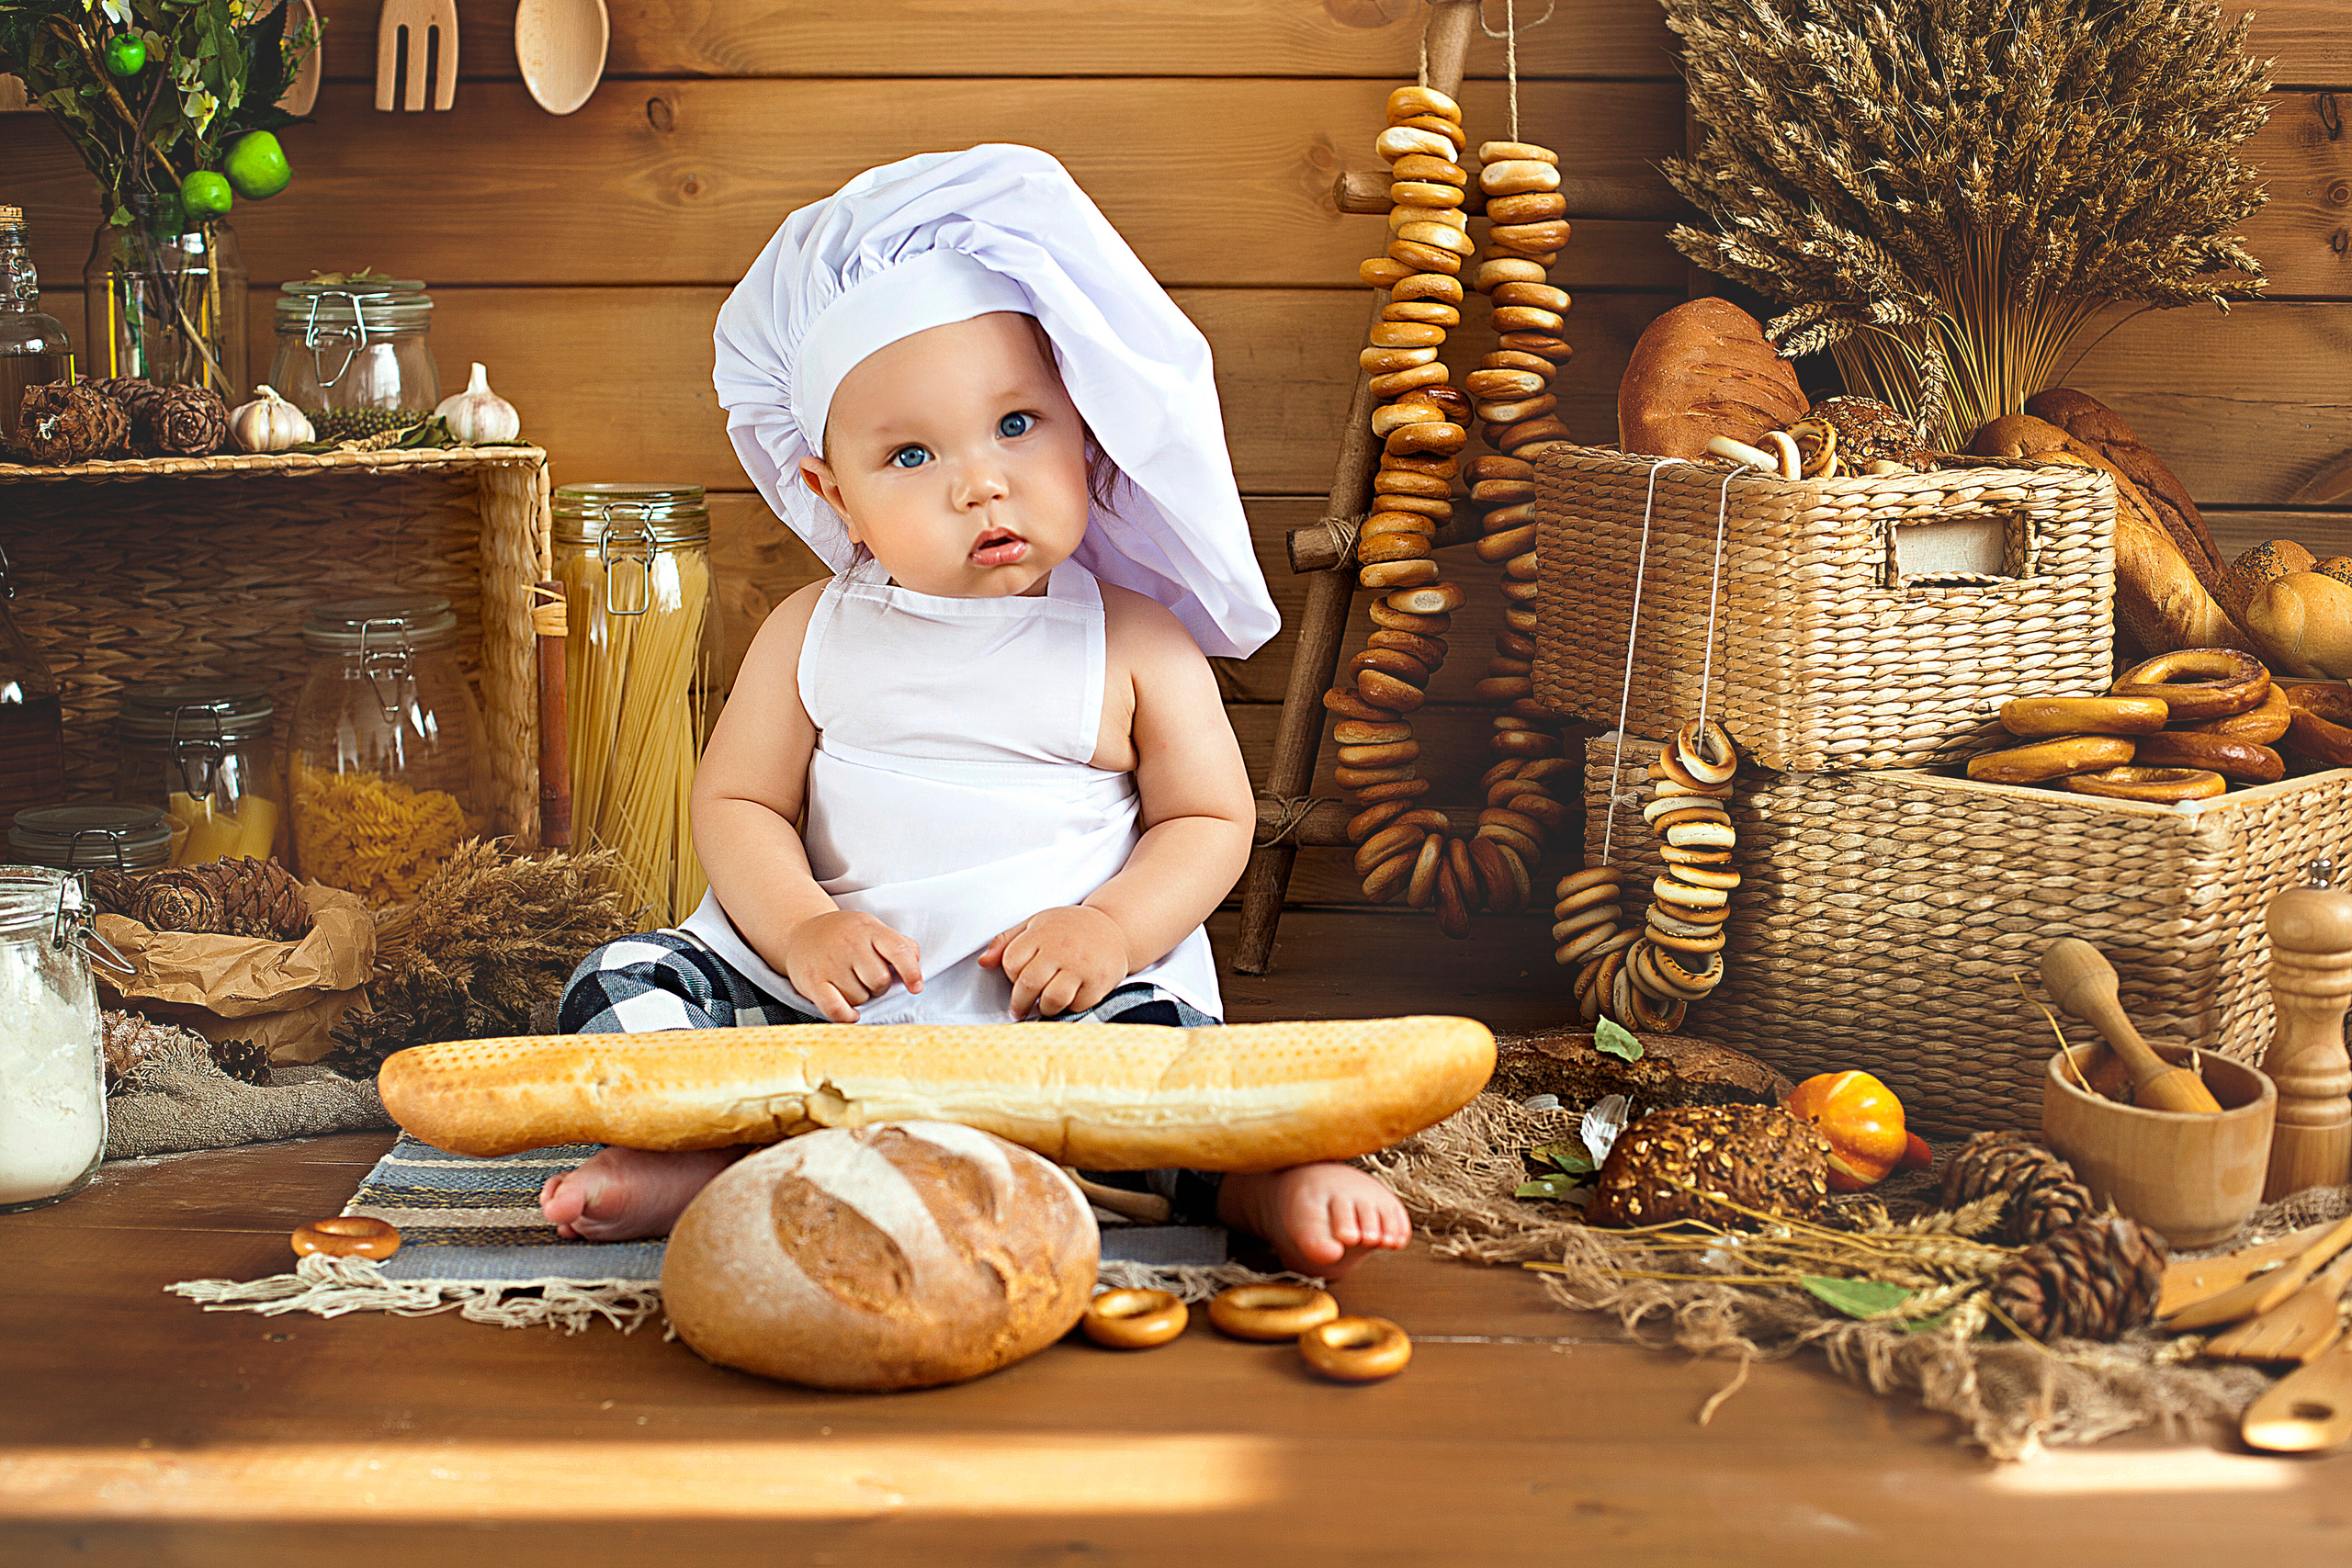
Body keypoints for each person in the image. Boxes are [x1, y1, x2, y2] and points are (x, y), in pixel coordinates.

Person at [537, 145, 1411, 1277]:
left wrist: (1111, 932)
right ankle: (701, 1149)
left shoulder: (1133, 642)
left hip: (1052, 1018)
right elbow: (740, 797)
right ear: (834, 495)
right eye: (909, 454)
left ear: (1083, 430)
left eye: (1016, 425)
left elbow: (1207, 822)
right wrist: (801, 928)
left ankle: (1260, 1179)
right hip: (825, 1014)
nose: (978, 483)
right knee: (620, 982)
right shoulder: (812, 629)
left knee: (1170, 1078)